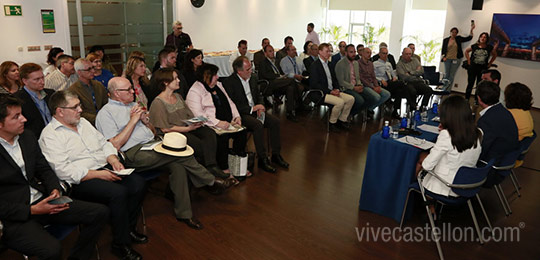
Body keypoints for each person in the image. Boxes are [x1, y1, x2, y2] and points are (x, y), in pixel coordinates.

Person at [96, 77, 233, 230]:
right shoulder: (105, 113)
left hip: (153, 144)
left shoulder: (134, 105)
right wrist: (133, 121)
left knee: (178, 165)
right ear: (116, 93)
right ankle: (210, 181)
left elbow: (153, 132)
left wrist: (146, 121)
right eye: (127, 90)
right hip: (132, 153)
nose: (132, 91)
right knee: (180, 153)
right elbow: (114, 145)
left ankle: (184, 214)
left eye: (131, 88)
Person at [39, 90, 147, 260]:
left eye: (79, 105)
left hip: (104, 167)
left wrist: (113, 159)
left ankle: (127, 229)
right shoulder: (50, 135)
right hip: (82, 179)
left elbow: (103, 143)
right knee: (118, 193)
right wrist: (99, 175)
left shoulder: (83, 123)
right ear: (60, 111)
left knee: (137, 183)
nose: (80, 110)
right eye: (75, 107)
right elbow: (63, 170)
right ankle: (121, 244)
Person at [0, 94, 108, 260]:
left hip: (42, 200)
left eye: (21, 113)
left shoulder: (27, 137)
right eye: (16, 117)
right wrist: (31, 210)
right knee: (52, 250)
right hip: (13, 216)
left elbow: (43, 168)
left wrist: (54, 189)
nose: (24, 119)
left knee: (99, 212)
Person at [149, 68, 229, 179]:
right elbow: (165, 129)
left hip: (188, 127)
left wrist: (197, 122)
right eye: (175, 78)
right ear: (166, 83)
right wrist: (188, 129)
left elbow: (189, 114)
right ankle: (206, 172)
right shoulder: (158, 103)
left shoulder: (178, 97)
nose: (179, 81)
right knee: (200, 146)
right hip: (174, 133)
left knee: (209, 133)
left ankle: (212, 166)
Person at [224, 56, 289, 173]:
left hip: (255, 110)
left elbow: (259, 95)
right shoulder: (229, 82)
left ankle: (275, 154)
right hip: (241, 114)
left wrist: (261, 106)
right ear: (239, 71)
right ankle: (262, 159)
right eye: (248, 69)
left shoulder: (253, 77)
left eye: (251, 68)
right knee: (258, 125)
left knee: (275, 122)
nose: (251, 71)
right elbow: (232, 105)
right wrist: (252, 108)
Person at [416, 95, 482, 199]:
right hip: (467, 184)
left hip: (446, 186)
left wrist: (444, 133)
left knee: (420, 158)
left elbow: (427, 165)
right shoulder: (477, 133)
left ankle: (413, 196)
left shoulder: (447, 135)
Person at [186, 63, 248, 173]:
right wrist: (217, 122)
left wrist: (237, 116)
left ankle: (237, 165)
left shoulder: (218, 85)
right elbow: (198, 115)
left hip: (226, 123)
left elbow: (230, 102)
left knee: (242, 133)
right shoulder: (195, 91)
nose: (218, 77)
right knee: (222, 138)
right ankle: (224, 168)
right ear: (207, 77)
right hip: (209, 125)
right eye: (215, 75)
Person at [309, 43, 355, 132]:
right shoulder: (314, 66)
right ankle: (332, 123)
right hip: (321, 93)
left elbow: (335, 79)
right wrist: (330, 92)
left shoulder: (330, 64)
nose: (329, 53)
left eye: (329, 51)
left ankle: (342, 120)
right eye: (327, 51)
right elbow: (315, 84)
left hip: (332, 91)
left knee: (350, 99)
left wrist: (337, 89)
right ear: (320, 52)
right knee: (340, 102)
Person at [476, 80, 519, 162]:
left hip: (491, 164)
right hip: (506, 159)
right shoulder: (504, 111)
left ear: (479, 98)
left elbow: (480, 150)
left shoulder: (486, 120)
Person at [257, 44, 300, 121]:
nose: (272, 53)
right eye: (270, 51)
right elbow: (265, 75)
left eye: (273, 51)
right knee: (291, 80)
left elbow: (281, 72)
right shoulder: (263, 62)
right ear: (265, 53)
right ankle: (299, 102)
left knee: (290, 88)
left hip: (279, 83)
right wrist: (278, 76)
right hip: (269, 84)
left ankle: (290, 112)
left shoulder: (276, 62)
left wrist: (283, 76)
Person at [374, 46, 415, 117]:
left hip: (391, 83)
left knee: (399, 90)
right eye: (383, 53)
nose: (385, 55)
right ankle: (412, 105)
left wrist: (395, 78)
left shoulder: (389, 64)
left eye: (386, 53)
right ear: (379, 54)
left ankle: (395, 111)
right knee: (402, 85)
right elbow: (373, 76)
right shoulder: (375, 64)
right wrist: (381, 80)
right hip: (382, 84)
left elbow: (394, 74)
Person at [14, 63, 54, 138]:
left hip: (56, 135)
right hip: (35, 138)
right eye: (37, 79)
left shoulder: (50, 93)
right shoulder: (17, 99)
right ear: (25, 81)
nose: (42, 82)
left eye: (42, 78)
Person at [68, 58, 108, 125]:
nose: (93, 71)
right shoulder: (73, 90)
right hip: (86, 124)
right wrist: (99, 119)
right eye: (89, 69)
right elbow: (80, 113)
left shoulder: (98, 85)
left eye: (93, 68)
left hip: (104, 120)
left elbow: (106, 103)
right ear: (79, 72)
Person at [464, 32, 498, 101]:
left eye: (484, 37)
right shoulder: (474, 46)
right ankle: (467, 98)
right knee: (470, 83)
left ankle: (477, 100)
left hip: (482, 69)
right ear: (479, 38)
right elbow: (466, 51)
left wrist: (490, 63)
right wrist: (468, 60)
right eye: (481, 37)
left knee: (479, 85)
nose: (483, 38)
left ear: (487, 39)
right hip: (472, 68)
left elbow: (495, 55)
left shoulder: (489, 47)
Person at [357, 47, 391, 115]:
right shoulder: (358, 63)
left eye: (370, 53)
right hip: (364, 86)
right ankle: (363, 109)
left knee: (387, 94)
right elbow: (361, 78)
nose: (369, 54)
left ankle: (369, 108)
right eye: (367, 53)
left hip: (372, 84)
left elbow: (373, 76)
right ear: (362, 53)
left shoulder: (370, 63)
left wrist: (377, 86)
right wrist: (373, 87)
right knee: (376, 97)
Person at [334, 44, 365, 117]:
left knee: (372, 97)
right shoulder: (340, 64)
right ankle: (347, 115)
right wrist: (354, 88)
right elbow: (341, 81)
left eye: (354, 52)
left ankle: (351, 113)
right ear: (346, 53)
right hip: (346, 88)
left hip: (356, 86)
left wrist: (360, 85)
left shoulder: (356, 63)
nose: (354, 54)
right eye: (351, 52)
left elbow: (357, 78)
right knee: (360, 100)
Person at [441, 25, 474, 91]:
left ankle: (447, 90)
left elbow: (469, 38)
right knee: (446, 74)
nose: (454, 33)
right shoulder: (446, 40)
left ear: (457, 33)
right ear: (450, 32)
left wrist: (471, 30)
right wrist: (443, 57)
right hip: (447, 59)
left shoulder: (459, 38)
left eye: (455, 32)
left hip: (456, 59)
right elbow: (443, 49)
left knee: (451, 75)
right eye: (452, 32)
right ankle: (443, 88)